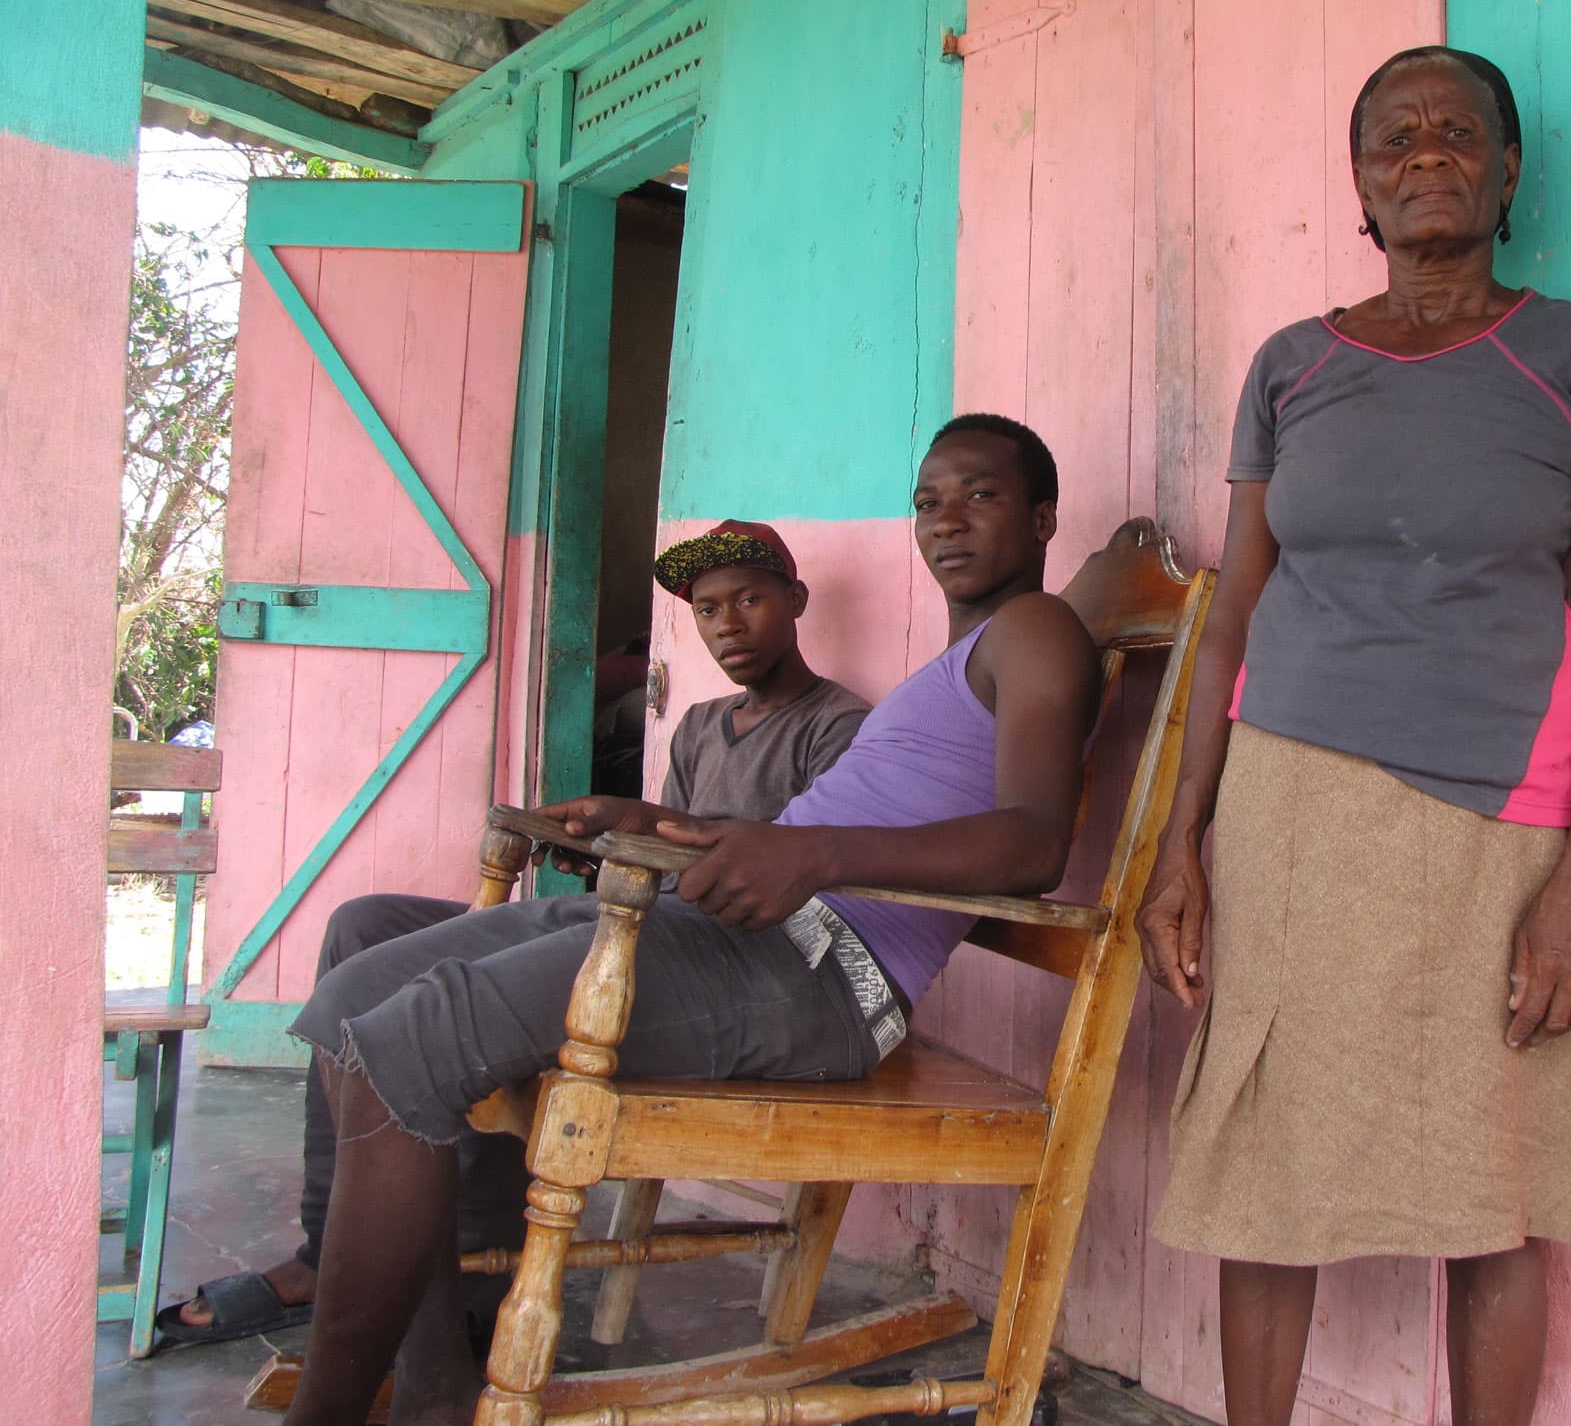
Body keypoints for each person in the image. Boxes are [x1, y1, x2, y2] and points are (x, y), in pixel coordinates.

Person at [279, 415, 1101, 1426]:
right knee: (362, 961)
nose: (944, 521)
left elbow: (1034, 843)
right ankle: (439, 1379)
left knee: (410, 1035)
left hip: (823, 975)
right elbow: (811, 831)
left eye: (977, 494)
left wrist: (821, 854)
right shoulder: (953, 663)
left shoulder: (1038, 630)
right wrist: (669, 823)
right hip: (746, 929)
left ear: (1042, 516)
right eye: (928, 500)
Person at [1139, 47, 1571, 1426]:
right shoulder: (1292, 366)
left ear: (1506, 170)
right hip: (1285, 813)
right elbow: (1234, 617)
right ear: (1362, 188)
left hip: (1490, 827)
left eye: (1458, 132)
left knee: (1489, 1189)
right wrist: (1182, 839)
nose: (1425, 153)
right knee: (1267, 1172)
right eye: (1393, 138)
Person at [156, 521, 869, 1348]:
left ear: (797, 602)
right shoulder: (703, 725)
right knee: (363, 927)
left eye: (749, 599)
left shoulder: (840, 726)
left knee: (472, 1001)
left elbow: (789, 870)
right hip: (638, 923)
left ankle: (471, 1256)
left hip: (722, 964)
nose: (728, 625)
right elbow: (666, 850)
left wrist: (649, 830)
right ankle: (327, 1249)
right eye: (707, 611)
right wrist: (592, 846)